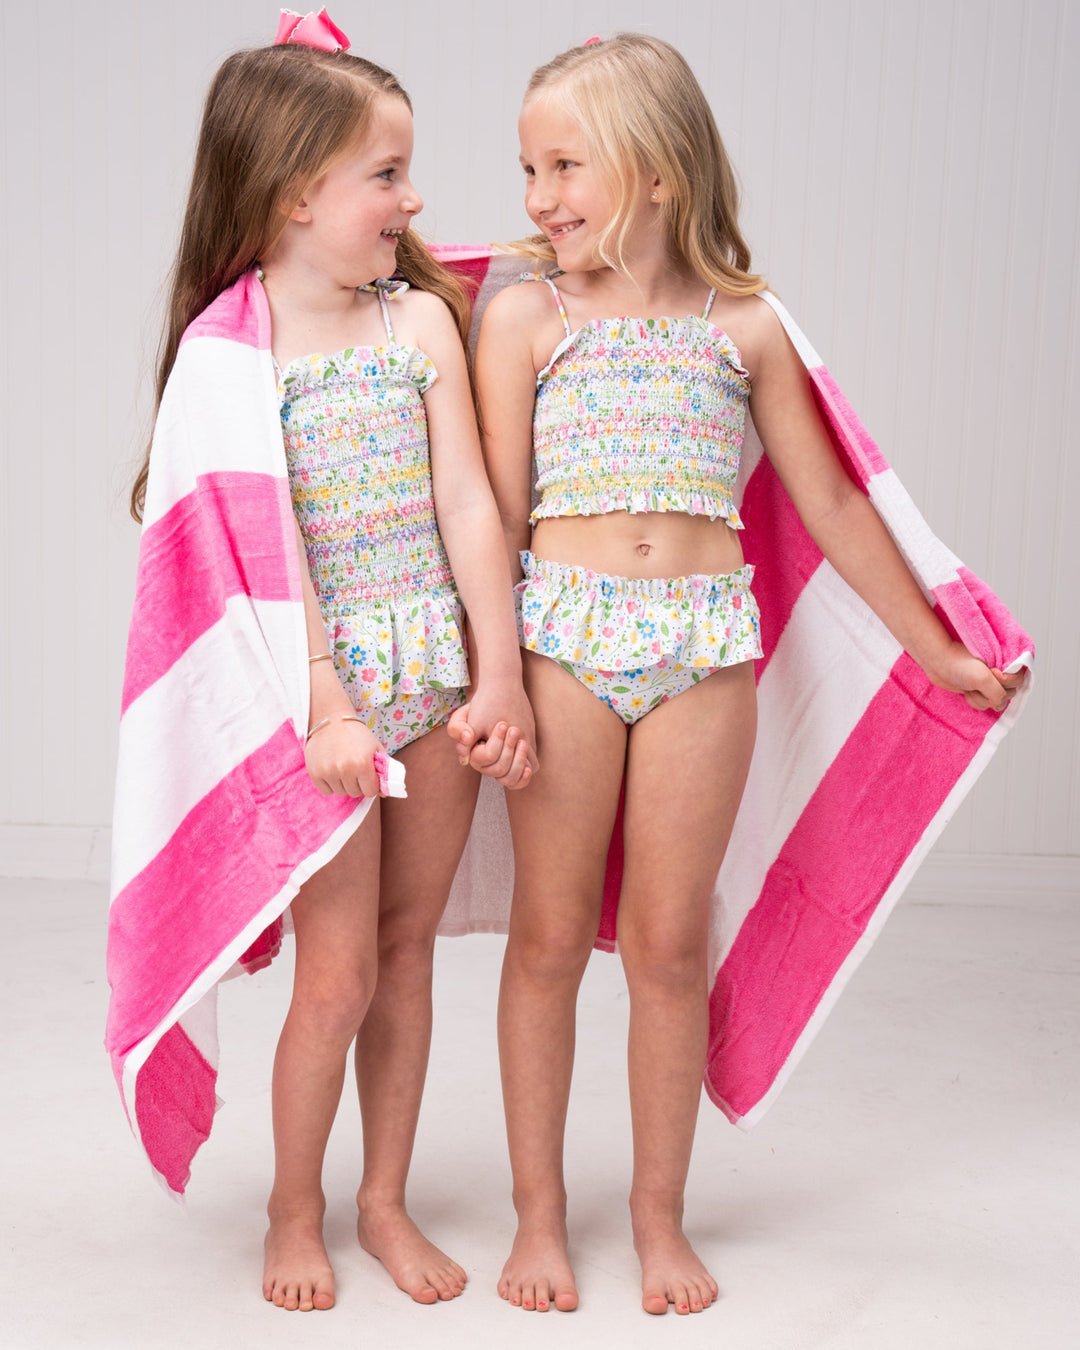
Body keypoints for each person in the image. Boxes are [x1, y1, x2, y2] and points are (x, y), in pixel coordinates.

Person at [465, 32, 1024, 1318]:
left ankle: (658, 1218)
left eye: (566, 165)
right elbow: (490, 511)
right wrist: (493, 675)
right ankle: (539, 1216)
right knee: (550, 940)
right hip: (563, 642)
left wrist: (936, 646)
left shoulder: (746, 327)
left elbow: (830, 503)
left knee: (669, 950)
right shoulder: (526, 321)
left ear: (657, 169)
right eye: (529, 168)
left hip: (704, 647)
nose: (540, 195)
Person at [128, 13, 534, 1314]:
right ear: (297, 191)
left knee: (409, 951)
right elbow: (267, 549)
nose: (413, 200)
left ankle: (381, 1199)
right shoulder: (231, 358)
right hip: (326, 695)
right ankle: (293, 1208)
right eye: (387, 173)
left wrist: (498, 674)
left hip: (433, 670)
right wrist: (324, 702)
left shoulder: (418, 326)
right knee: (340, 969)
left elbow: (469, 504)